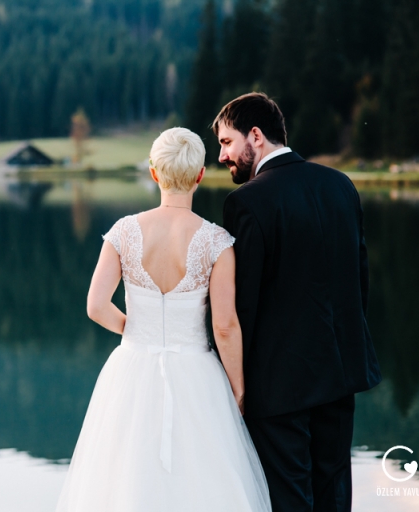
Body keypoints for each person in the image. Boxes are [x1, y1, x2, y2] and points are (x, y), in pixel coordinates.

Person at [55, 127, 271, 512]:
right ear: (200, 175)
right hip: (197, 373)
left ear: (154, 173)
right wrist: (237, 391)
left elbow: (95, 306)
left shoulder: (123, 232)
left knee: (124, 480)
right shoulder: (217, 242)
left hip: (131, 369)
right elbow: (225, 326)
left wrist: (136, 331)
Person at [214, 92, 382, 512]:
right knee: (333, 494)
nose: (221, 156)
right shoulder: (340, 185)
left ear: (256, 135)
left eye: (227, 142)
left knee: (288, 500)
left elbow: (243, 307)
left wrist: (232, 381)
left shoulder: (247, 202)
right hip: (341, 372)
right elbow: (358, 282)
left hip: (278, 385)